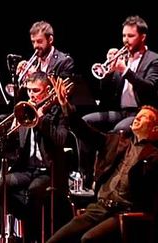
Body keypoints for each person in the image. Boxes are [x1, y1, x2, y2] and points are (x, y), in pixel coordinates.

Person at [46, 73, 158, 243]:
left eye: (143, 118)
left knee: (89, 239)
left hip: (125, 210)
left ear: (155, 129)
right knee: (56, 240)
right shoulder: (117, 141)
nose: (137, 119)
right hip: (100, 206)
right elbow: (84, 132)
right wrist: (65, 106)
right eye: (138, 115)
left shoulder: (153, 155)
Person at [0, 72, 72, 242]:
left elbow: (61, 140)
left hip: (49, 172)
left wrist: (41, 120)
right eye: (29, 91)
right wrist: (12, 129)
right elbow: (9, 149)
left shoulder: (59, 112)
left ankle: (32, 237)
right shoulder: (24, 110)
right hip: (26, 169)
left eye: (36, 91)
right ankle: (4, 236)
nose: (31, 95)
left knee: (34, 191)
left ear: (48, 90)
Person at [85, 15, 158, 133]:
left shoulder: (153, 60)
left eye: (130, 36)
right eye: (124, 35)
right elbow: (105, 95)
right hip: (120, 112)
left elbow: (149, 88)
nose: (125, 40)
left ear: (143, 37)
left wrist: (125, 71)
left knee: (119, 131)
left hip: (142, 113)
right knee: (85, 122)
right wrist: (108, 73)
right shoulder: (122, 59)